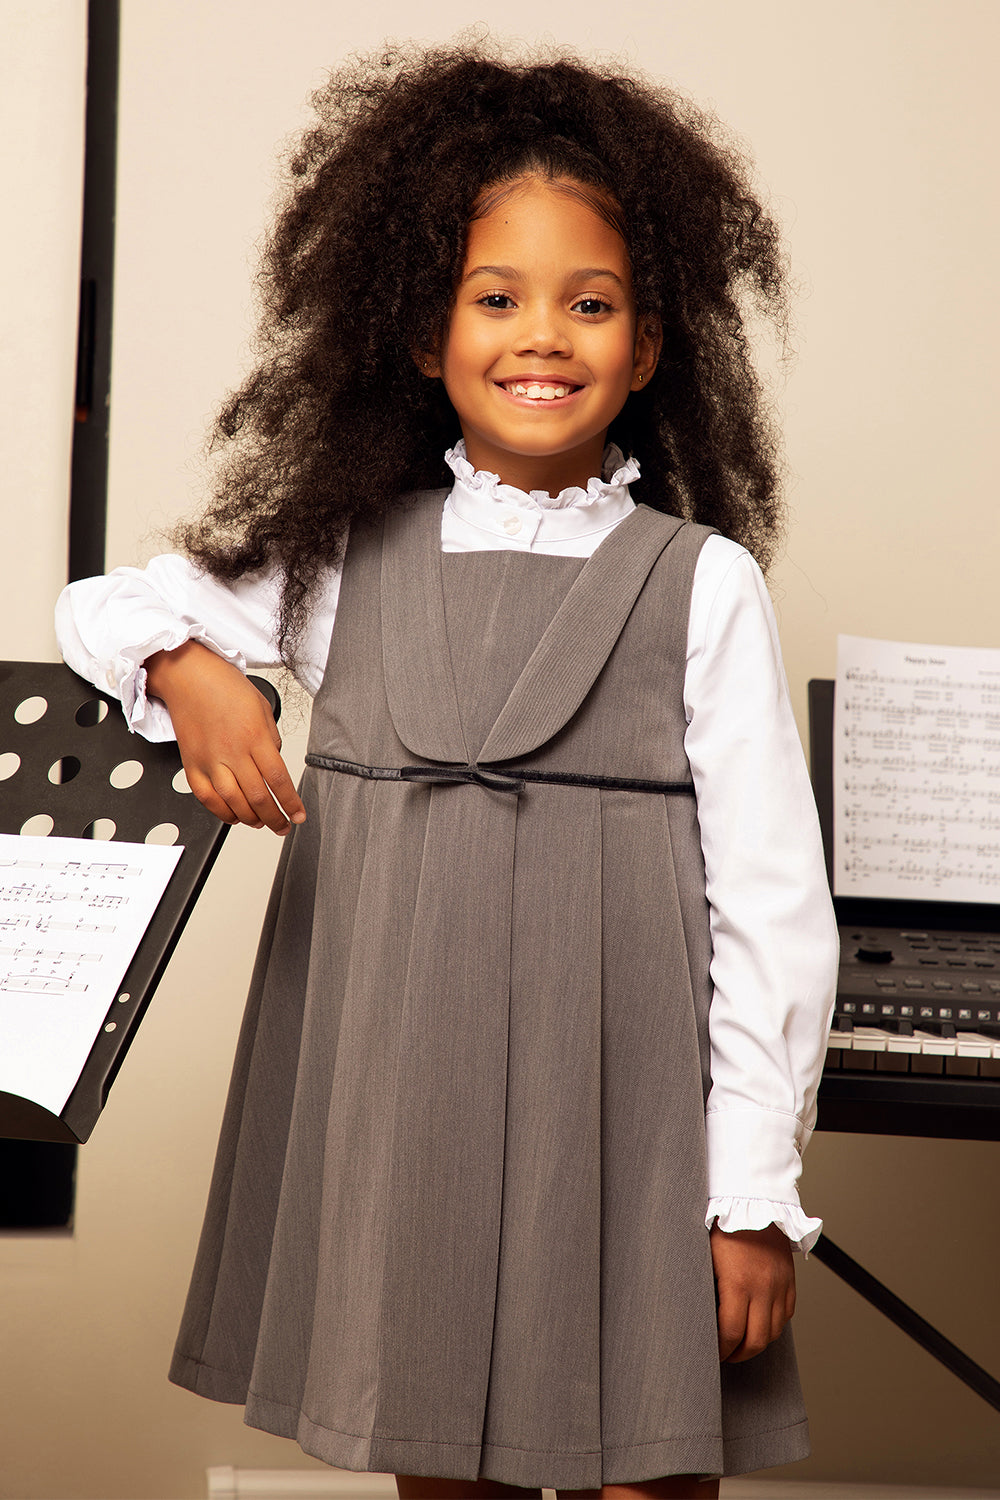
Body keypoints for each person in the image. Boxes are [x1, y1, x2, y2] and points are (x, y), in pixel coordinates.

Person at [56, 40, 839, 1500]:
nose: (542, 336)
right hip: (403, 1089)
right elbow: (98, 607)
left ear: (650, 345)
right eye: (497, 297)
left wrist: (751, 1197)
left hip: (632, 1116)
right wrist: (193, 672)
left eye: (590, 303)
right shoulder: (347, 558)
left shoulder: (704, 584)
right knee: (438, 1453)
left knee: (651, 1466)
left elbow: (773, 911)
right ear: (425, 333)